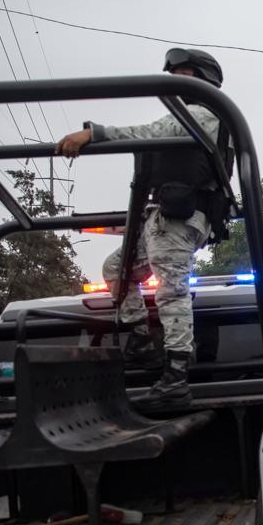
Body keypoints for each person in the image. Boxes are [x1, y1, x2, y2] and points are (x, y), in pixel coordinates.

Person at [55, 48, 228, 410]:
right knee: (116, 269)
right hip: (162, 219)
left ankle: (177, 375)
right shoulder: (190, 114)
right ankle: (142, 341)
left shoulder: (205, 114)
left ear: (205, 79)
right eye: (174, 74)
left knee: (172, 291)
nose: (177, 81)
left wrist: (94, 134)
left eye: (186, 74)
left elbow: (151, 132)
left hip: (181, 220)